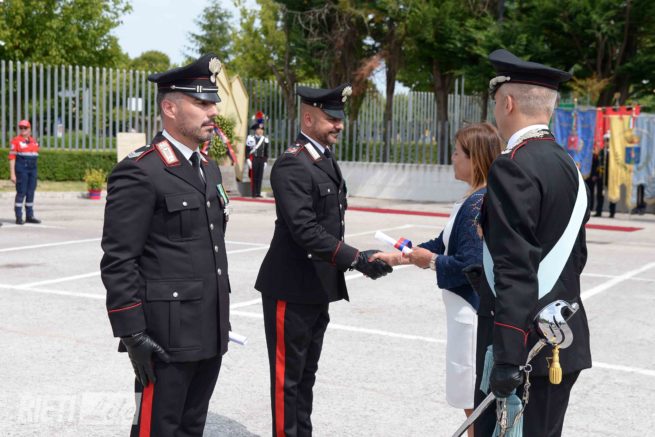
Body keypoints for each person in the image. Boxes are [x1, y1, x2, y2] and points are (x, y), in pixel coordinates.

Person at [100, 53, 232, 437]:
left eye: (213, 103)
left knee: (192, 427)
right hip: (165, 337)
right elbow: (119, 259)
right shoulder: (141, 170)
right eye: (202, 103)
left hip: (209, 329)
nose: (213, 111)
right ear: (170, 108)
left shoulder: (207, 168)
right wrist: (132, 333)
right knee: (157, 428)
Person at [255, 83, 393, 437]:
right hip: (290, 287)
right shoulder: (292, 163)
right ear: (308, 119)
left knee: (306, 376)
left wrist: (356, 258)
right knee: (287, 380)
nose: (339, 125)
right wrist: (355, 259)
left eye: (339, 118)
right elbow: (305, 229)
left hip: (317, 286)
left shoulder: (324, 159)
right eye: (331, 118)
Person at [474, 49, 591, 437]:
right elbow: (576, 256)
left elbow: (515, 267)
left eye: (495, 103)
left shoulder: (513, 165)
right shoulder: (568, 164)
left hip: (523, 348)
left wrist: (507, 357)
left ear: (507, 103)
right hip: (560, 342)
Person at [371, 122, 503, 437]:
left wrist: (429, 261)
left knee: (472, 396)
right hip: (462, 313)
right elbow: (440, 243)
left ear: (474, 158)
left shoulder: (478, 203)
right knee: (468, 396)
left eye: (457, 153)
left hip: (470, 314)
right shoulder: (473, 198)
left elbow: (470, 264)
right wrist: (396, 257)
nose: (452, 158)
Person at [9, 119, 41, 225]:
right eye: (21, 128)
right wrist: (12, 174)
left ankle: (29, 216)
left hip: (33, 170)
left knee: (31, 192)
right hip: (21, 170)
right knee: (21, 192)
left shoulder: (34, 141)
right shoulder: (15, 141)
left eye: (25, 128)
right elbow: (12, 158)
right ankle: (18, 217)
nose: (23, 129)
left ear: (29, 129)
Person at [246, 121, 269, 197]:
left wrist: (265, 161)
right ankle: (253, 193)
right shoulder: (251, 138)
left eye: (262, 129)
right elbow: (247, 150)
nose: (260, 131)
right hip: (254, 159)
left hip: (261, 160)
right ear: (255, 130)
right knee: (254, 176)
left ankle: (258, 193)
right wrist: (248, 159)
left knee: (260, 176)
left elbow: (266, 152)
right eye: (259, 129)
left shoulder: (265, 139)